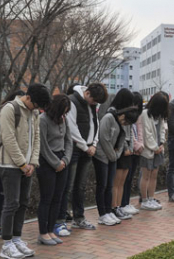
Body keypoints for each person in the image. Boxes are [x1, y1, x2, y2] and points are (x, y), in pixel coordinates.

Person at [0, 83, 51, 259]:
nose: (36, 109)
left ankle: (17, 238)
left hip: (27, 165)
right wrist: (22, 163)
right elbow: (8, 139)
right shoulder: (9, 109)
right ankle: (6, 244)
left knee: (23, 202)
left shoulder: (34, 112)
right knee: (11, 203)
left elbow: (36, 138)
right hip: (9, 165)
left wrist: (33, 163)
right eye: (35, 105)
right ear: (28, 97)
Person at [57, 83, 108, 234]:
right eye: (94, 101)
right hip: (74, 149)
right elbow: (71, 128)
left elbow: (95, 123)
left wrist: (94, 143)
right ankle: (60, 219)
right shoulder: (72, 100)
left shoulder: (91, 104)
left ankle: (79, 218)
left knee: (81, 186)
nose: (94, 104)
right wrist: (86, 146)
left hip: (88, 149)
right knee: (67, 186)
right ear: (88, 94)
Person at [93, 91, 139, 226]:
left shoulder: (120, 118)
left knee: (109, 185)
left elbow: (122, 138)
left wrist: (116, 154)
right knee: (103, 186)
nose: (124, 123)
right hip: (102, 156)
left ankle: (109, 211)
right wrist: (113, 155)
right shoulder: (109, 117)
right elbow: (104, 139)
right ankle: (102, 214)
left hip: (112, 157)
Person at [36, 94, 73, 246]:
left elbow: (69, 140)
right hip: (46, 162)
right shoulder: (43, 120)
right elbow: (42, 146)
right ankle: (43, 232)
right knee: (47, 198)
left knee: (58, 197)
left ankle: (51, 230)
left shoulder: (63, 119)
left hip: (62, 159)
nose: (64, 115)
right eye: (62, 111)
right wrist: (55, 163)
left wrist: (65, 160)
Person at [0, 89, 25, 239]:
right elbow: (3, 136)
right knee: (2, 195)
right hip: (3, 158)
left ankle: (3, 228)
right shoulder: (5, 110)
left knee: (7, 197)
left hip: (11, 158)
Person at [109, 89, 137, 221]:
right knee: (116, 181)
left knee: (122, 182)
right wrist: (125, 148)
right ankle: (113, 207)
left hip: (127, 151)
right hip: (119, 150)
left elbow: (130, 132)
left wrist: (130, 148)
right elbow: (120, 133)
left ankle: (119, 206)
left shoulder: (127, 112)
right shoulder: (113, 112)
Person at [139, 92, 168, 210]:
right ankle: (144, 200)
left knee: (154, 175)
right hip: (148, 150)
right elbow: (147, 134)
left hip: (158, 149)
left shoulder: (159, 116)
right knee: (146, 175)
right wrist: (155, 148)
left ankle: (151, 198)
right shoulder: (145, 114)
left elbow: (162, 130)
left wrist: (161, 143)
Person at [120, 92, 145, 216]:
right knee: (124, 179)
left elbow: (139, 131)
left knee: (130, 178)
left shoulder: (138, 116)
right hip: (129, 150)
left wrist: (140, 144)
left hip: (136, 150)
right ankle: (122, 204)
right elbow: (127, 134)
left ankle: (126, 202)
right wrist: (134, 145)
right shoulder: (125, 115)